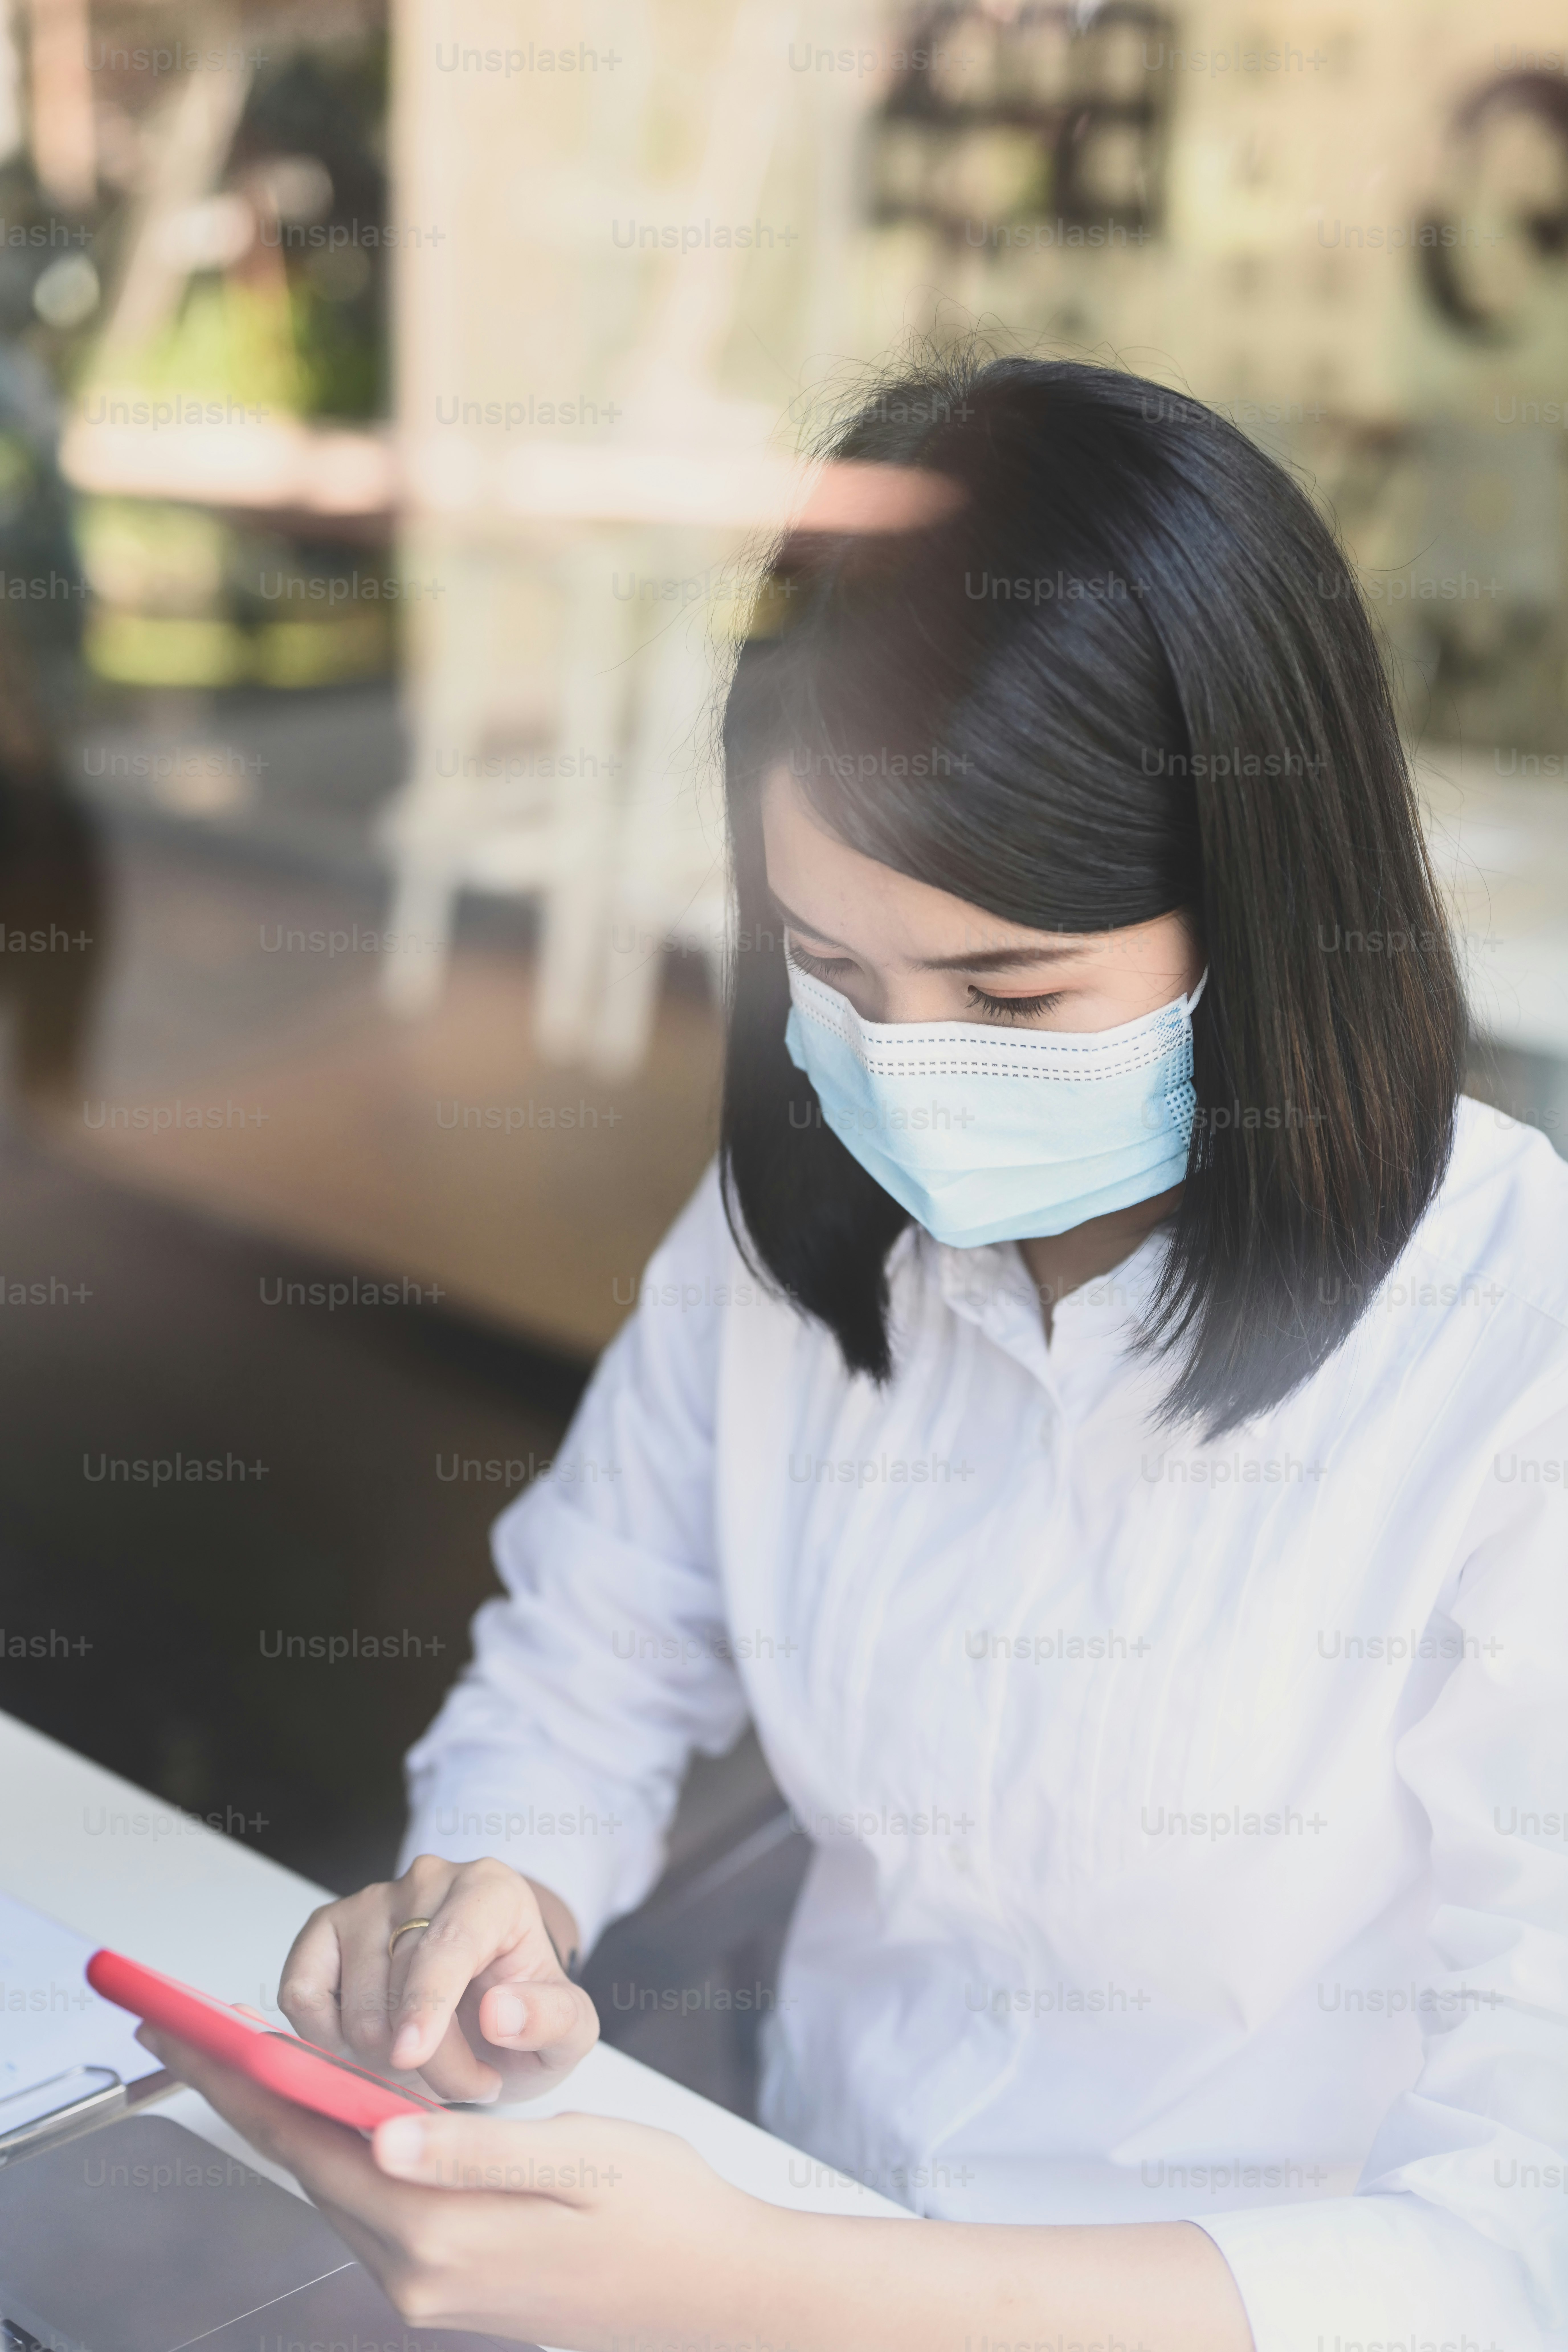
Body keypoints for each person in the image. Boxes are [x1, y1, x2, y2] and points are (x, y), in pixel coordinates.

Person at [144, 357, 1568, 2352]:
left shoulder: (1518, 1368)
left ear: (1272, 919)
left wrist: (776, 2287)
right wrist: (493, 1902)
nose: (907, 1073)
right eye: (832, 969)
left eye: (1010, 990)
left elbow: (1517, 2245)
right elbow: (591, 1657)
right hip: (798, 2208)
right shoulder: (797, 1240)